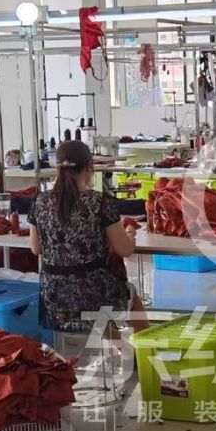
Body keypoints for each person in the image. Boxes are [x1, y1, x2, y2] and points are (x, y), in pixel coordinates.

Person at [28, 140, 144, 335]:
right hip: (93, 294)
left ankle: (123, 349)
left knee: (95, 306)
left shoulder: (39, 201)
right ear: (89, 167)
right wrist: (130, 234)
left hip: (54, 294)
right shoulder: (99, 202)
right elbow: (125, 250)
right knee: (130, 298)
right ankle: (144, 351)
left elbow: (36, 248)